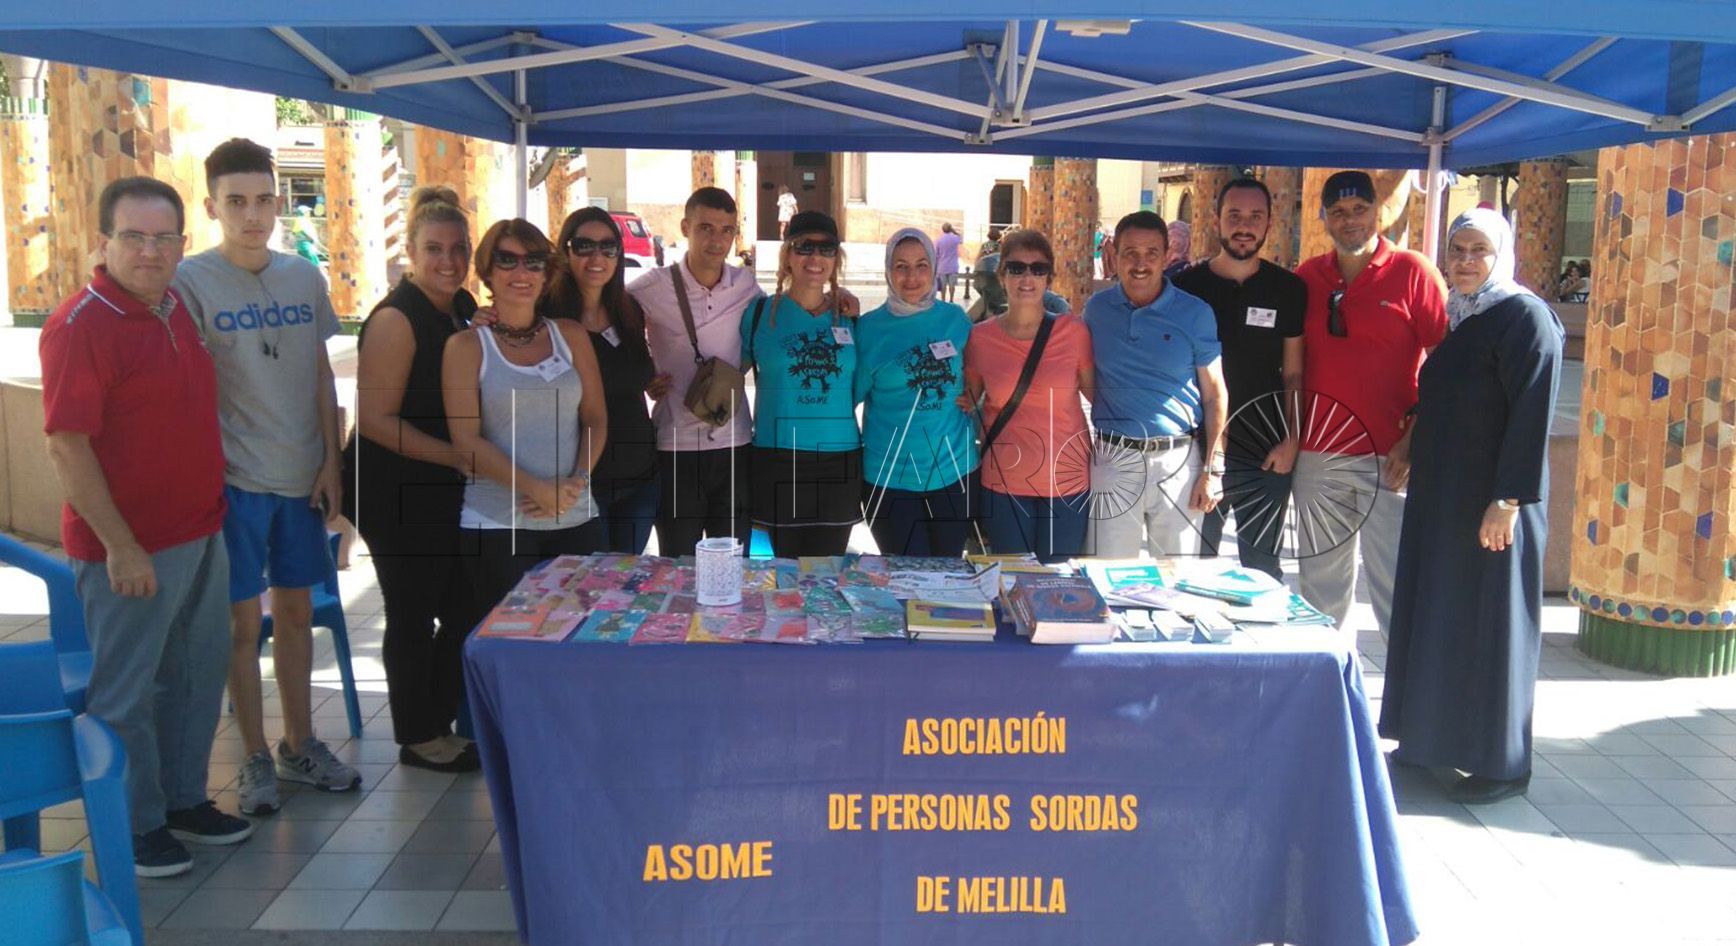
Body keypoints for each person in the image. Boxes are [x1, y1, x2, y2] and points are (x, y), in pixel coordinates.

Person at [41, 176, 254, 877]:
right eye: (134, 236)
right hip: (129, 552)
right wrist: (121, 546)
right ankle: (133, 826)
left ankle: (183, 801)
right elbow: (67, 444)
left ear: (181, 246)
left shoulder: (173, 307)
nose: (150, 251)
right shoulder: (81, 326)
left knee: (194, 678)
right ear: (103, 241)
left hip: (200, 533)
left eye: (165, 238)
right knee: (126, 694)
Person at [172, 138, 360, 816]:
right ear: (212, 207)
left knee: (298, 612)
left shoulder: (303, 277)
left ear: (278, 202)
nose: (253, 215)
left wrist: (332, 464)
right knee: (239, 625)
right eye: (236, 202)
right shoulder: (189, 282)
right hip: (234, 484)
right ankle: (253, 755)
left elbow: (317, 373)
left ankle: (299, 743)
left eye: (262, 200)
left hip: (301, 478)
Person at [1379, 208, 1564, 804]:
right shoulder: (1466, 316)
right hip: (1446, 499)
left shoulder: (1525, 318)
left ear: (1501, 255)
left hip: (1494, 503)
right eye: (1456, 249)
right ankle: (1429, 740)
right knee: (1441, 615)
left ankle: (1502, 765)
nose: (1463, 261)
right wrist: (1411, 441)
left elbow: (1530, 416)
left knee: (1493, 625)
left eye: (1478, 250)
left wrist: (1506, 500)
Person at [346, 185, 479, 773]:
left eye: (457, 248)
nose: (447, 260)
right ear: (409, 253)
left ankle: (439, 720)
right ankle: (418, 734)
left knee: (458, 605)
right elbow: (374, 420)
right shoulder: (397, 318)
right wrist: (454, 455)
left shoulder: (459, 306)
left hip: (438, 483)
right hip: (393, 487)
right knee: (412, 609)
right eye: (434, 249)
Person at [1292, 171, 1449, 636]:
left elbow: (1446, 368)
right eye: (1338, 213)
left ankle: (1408, 697)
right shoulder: (1307, 278)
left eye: (1359, 210)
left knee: (1398, 582)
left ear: (1377, 212)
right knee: (1321, 585)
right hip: (1319, 455)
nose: (1350, 221)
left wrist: (1413, 440)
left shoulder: (1414, 272)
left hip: (1390, 457)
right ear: (1324, 220)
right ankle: (1330, 688)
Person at [445, 220, 609, 613]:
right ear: (487, 269)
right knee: (513, 650)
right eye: (507, 260)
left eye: (533, 262)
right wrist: (535, 488)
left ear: (547, 272)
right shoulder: (466, 346)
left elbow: (596, 418)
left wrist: (577, 480)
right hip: (499, 525)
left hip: (576, 515)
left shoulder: (570, 336)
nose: (521, 272)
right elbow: (466, 442)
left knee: (580, 641)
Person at [1171, 178, 1306, 579]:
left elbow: (1294, 373)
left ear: (1268, 223)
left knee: (1262, 569)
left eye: (1254, 217)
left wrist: (1293, 440)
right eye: (1234, 216)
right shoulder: (1185, 288)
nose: (1243, 226)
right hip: (1198, 452)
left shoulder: (1289, 289)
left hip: (1266, 451)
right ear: (1216, 221)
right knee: (1193, 568)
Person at [1083, 211, 1227, 559]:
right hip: (1114, 459)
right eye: (1130, 252)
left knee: (1179, 582)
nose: (1140, 263)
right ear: (1114, 255)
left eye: (1151, 253)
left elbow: (1215, 393)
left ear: (1166, 256)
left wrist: (1213, 468)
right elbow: (1087, 380)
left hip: (1178, 461)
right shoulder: (1097, 309)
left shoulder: (1195, 313)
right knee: (1109, 575)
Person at [631, 187, 759, 557]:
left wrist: (837, 299)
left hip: (735, 441)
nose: (716, 239)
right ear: (685, 227)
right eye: (705, 227)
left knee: (733, 560)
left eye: (726, 229)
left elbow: (775, 324)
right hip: (675, 447)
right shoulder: (650, 287)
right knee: (678, 562)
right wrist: (645, 374)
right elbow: (609, 327)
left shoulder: (746, 285)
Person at [964, 230, 1095, 564]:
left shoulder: (1074, 332)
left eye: (1037, 269)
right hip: (1005, 482)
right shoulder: (980, 338)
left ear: (1049, 277)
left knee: (1059, 587)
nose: (1027, 277)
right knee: (1012, 583)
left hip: (1066, 481)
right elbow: (967, 399)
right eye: (1016, 267)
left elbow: (1099, 397)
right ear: (1001, 274)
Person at [741, 211, 863, 557]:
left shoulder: (850, 317)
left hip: (839, 462)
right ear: (787, 255)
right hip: (778, 459)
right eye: (803, 247)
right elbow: (731, 372)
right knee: (786, 577)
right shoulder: (760, 314)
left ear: (836, 259)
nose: (815, 257)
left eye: (826, 249)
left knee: (828, 578)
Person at [856, 228, 978, 556]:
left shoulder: (956, 320)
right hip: (890, 477)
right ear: (888, 270)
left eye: (922, 265)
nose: (912, 277)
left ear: (934, 268)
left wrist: (975, 395)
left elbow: (979, 375)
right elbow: (847, 396)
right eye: (901, 266)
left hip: (954, 473)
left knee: (947, 576)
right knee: (906, 579)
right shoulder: (868, 329)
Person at [544, 207, 659, 554]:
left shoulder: (628, 310)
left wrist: (652, 383)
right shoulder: (545, 318)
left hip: (639, 479)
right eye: (584, 246)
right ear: (565, 251)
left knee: (624, 589)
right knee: (586, 593)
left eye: (608, 247)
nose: (597, 257)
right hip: (581, 483)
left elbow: (630, 375)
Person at [934, 222, 963, 303]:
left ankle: (943, 300)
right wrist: (954, 231)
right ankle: (951, 299)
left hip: (942, 266)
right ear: (950, 229)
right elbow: (960, 238)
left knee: (943, 285)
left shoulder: (939, 240)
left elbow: (936, 254)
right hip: (953, 265)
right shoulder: (955, 238)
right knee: (952, 285)